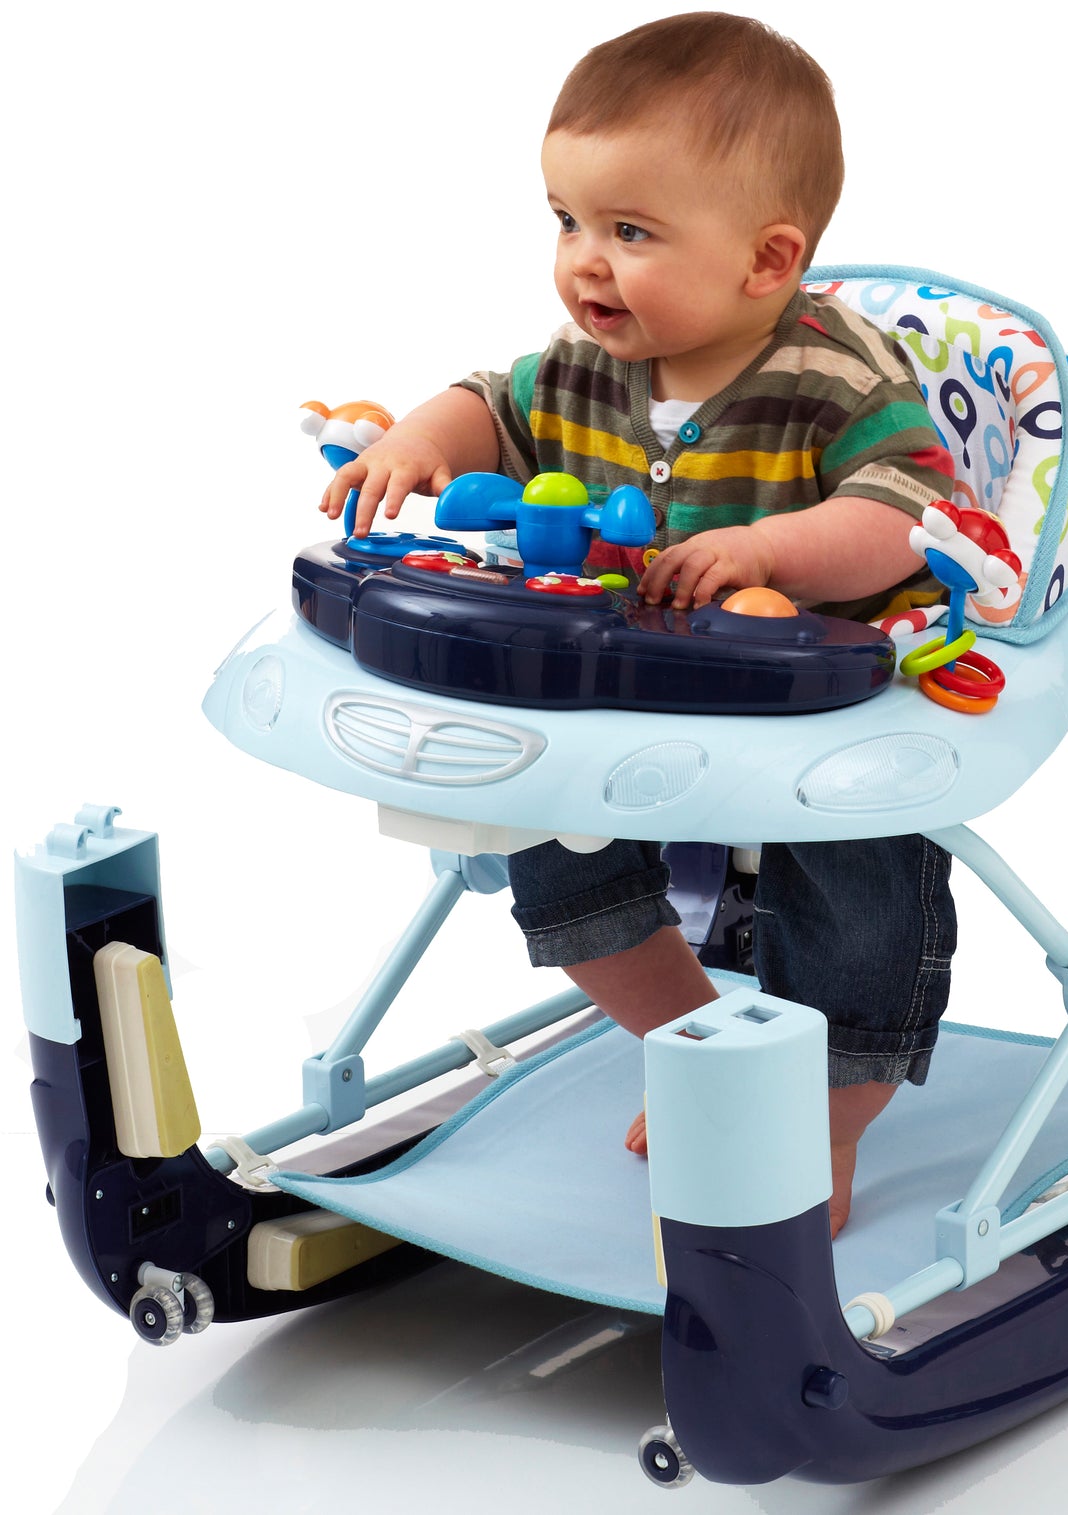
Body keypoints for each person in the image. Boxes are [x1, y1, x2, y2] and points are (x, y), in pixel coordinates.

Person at [319, 12, 957, 1236]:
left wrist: (769, 548)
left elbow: (905, 514)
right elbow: (483, 407)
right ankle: (695, 1045)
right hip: (612, 694)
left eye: (629, 232)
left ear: (766, 262)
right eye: (564, 220)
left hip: (816, 711)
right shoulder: (577, 371)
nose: (582, 263)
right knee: (544, 844)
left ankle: (819, 1122)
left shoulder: (833, 378)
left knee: (861, 893)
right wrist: (413, 440)